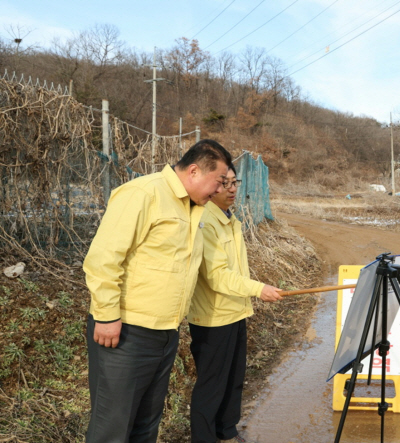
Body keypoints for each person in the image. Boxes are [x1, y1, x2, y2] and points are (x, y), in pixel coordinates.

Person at [83, 139, 232, 443]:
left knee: (146, 425)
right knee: (112, 427)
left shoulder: (193, 208)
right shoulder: (144, 194)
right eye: (218, 181)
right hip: (126, 333)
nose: (220, 190)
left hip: (164, 333)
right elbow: (103, 259)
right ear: (194, 171)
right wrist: (107, 315)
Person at [188, 166, 283, 443]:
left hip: (235, 312)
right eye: (223, 183)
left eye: (234, 182)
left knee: (233, 380)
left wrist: (251, 293)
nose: (231, 189)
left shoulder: (230, 219)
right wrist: (258, 289)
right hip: (213, 317)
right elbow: (216, 276)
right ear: (210, 185)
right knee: (211, 386)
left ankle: (227, 432)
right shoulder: (205, 221)